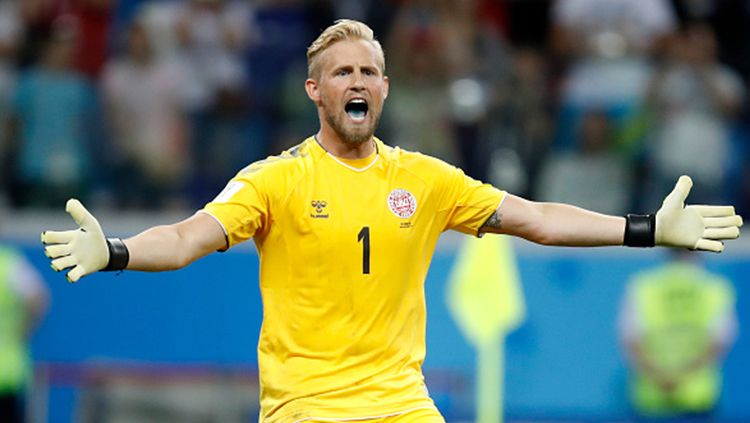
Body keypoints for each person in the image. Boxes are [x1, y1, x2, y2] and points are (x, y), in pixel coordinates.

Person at [40, 19, 743, 423]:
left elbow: (539, 220)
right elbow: (189, 236)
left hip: (402, 405)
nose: (356, 82)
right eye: (340, 72)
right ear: (315, 90)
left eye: (368, 71)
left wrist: (645, 228)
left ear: (383, 86)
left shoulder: (426, 179)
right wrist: (120, 250)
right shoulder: (276, 179)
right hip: (306, 407)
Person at [618, 251, 737, 418]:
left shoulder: (643, 286)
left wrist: (660, 376)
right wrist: (682, 376)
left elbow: (630, 340)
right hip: (698, 396)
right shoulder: (714, 287)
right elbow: (719, 343)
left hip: (651, 396)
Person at [0, 243, 49, 423]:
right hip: (7, 373)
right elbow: (39, 297)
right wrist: (23, 329)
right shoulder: (9, 264)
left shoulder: (9, 263)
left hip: (6, 378)